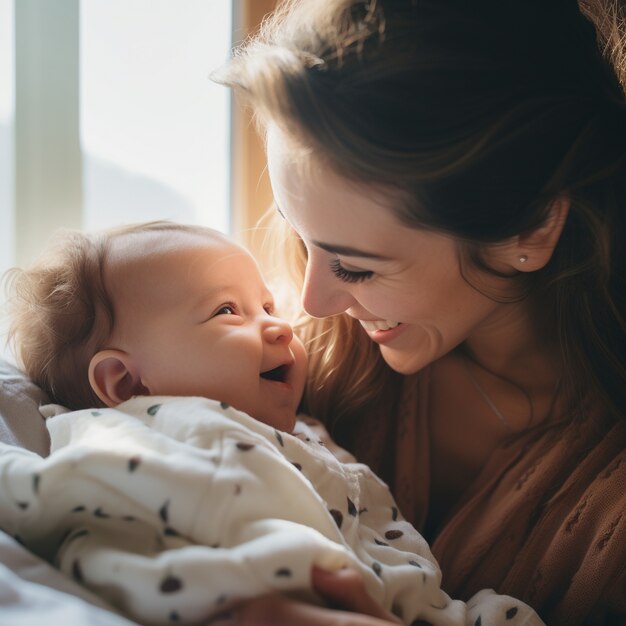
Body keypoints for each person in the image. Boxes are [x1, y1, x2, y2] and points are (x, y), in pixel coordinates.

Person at [213, 0, 626, 624]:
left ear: (532, 228)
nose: (312, 302)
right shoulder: (294, 364)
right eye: (302, 240)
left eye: (357, 267)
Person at [1, 221, 541, 626]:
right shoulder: (135, 435)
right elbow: (59, 508)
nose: (281, 326)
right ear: (126, 383)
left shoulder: (306, 430)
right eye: (227, 312)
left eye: (266, 304)